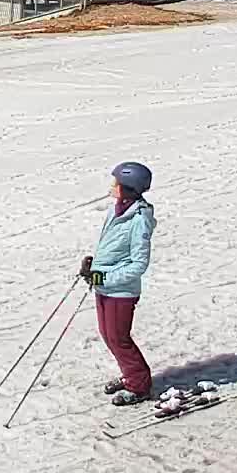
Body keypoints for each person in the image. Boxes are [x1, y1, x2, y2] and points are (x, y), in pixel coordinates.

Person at [80, 161, 156, 406]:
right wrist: (94, 267)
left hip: (120, 291)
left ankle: (140, 385)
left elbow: (138, 264)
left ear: (130, 188)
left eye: (116, 183)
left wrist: (105, 277)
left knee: (118, 338)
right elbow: (113, 248)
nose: (111, 186)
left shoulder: (139, 220)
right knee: (108, 335)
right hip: (105, 286)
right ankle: (131, 375)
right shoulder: (117, 209)